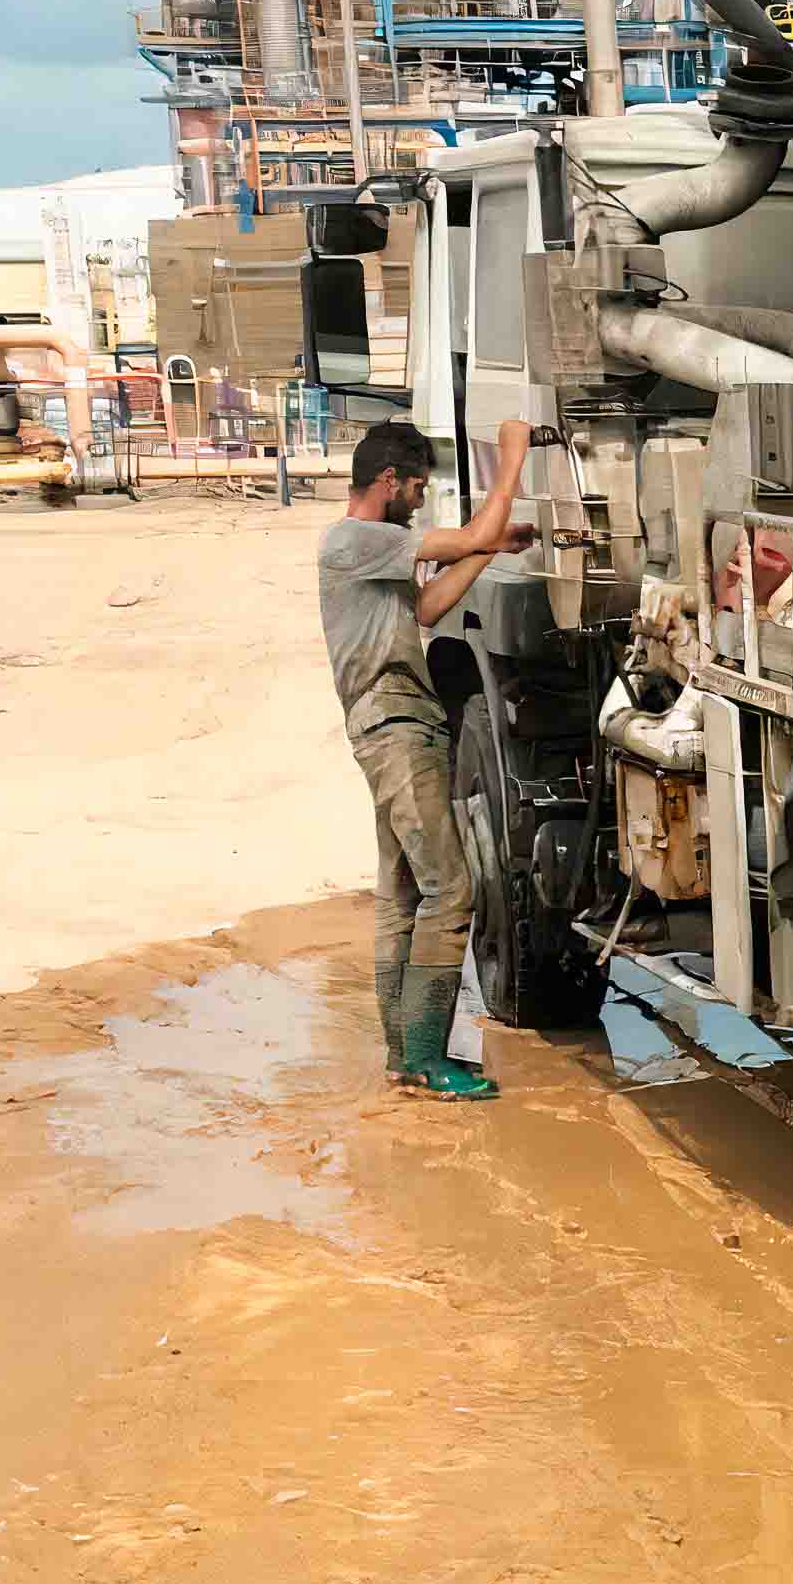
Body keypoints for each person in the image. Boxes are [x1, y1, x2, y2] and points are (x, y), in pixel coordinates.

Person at [319, 414, 532, 1103]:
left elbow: (430, 606)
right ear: (388, 482)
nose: (419, 499)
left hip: (394, 727)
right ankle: (423, 1060)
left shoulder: (370, 549)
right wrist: (511, 463)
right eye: (415, 488)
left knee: (406, 892)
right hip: (396, 728)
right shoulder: (360, 538)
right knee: (452, 888)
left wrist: (489, 550)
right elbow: (466, 535)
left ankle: (404, 1056)